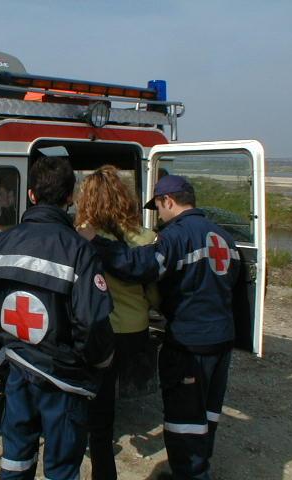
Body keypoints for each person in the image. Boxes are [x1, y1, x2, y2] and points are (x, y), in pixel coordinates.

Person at [78, 175, 240, 480]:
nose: (160, 215)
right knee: (207, 413)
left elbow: (139, 267)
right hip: (220, 337)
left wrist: (96, 242)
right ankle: (199, 467)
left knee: (183, 421)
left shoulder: (175, 236)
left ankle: (190, 474)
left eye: (160, 207)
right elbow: (232, 285)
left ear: (168, 201)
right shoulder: (222, 236)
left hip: (188, 341)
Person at [0, 156, 115, 480]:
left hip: (17, 374)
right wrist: (95, 365)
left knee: (15, 463)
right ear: (70, 198)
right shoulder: (80, 251)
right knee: (61, 471)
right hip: (64, 383)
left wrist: (2, 356)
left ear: (31, 195)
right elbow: (92, 324)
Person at [74, 165, 159, 480]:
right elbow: (155, 293)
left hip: (100, 332)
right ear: (124, 197)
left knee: (100, 415)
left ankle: (103, 473)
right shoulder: (147, 237)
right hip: (135, 332)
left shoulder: (81, 236)